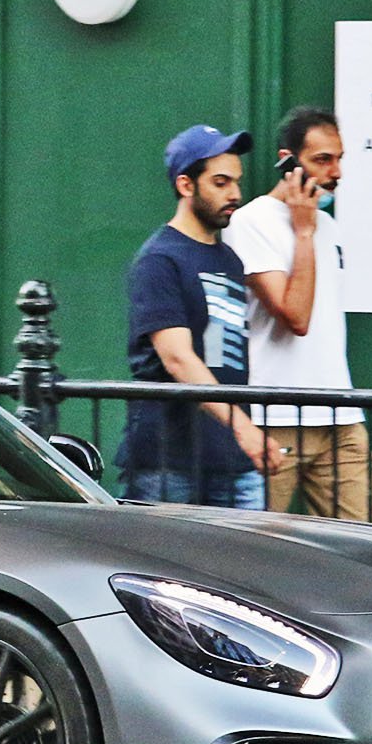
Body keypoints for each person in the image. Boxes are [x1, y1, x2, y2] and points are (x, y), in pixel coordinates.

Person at [221, 105, 372, 520]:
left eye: (339, 158)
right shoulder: (250, 222)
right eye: (322, 160)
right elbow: (296, 317)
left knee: (366, 547)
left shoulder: (328, 226)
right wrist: (303, 231)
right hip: (278, 418)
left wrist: (311, 227)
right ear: (288, 161)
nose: (336, 172)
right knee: (258, 548)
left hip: (340, 415)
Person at [116, 124, 283, 507]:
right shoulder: (159, 259)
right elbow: (177, 357)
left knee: (241, 567)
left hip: (232, 461)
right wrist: (244, 428)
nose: (235, 194)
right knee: (161, 567)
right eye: (221, 182)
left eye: (236, 182)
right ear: (186, 185)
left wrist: (242, 434)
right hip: (167, 461)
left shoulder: (229, 259)